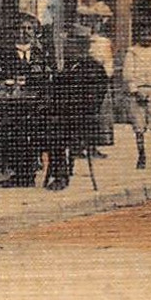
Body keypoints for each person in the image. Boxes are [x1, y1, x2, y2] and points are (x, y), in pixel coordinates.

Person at [43, 26, 110, 191]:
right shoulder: (69, 66)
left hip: (84, 120)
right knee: (41, 126)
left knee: (54, 133)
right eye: (67, 44)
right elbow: (56, 92)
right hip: (69, 117)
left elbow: (91, 101)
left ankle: (61, 176)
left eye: (70, 45)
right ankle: (58, 169)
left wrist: (64, 109)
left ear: (83, 46)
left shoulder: (94, 68)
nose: (67, 48)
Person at [0, 12, 54, 187]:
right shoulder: (3, 54)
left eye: (29, 28)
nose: (25, 32)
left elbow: (50, 78)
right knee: (14, 125)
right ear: (13, 32)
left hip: (38, 105)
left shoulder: (41, 54)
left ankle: (27, 171)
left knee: (32, 125)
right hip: (10, 105)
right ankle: (21, 172)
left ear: (35, 32)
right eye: (20, 28)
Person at [122, 29, 151, 170]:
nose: (147, 37)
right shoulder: (132, 52)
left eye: (149, 34)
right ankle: (142, 156)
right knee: (139, 127)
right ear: (139, 36)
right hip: (138, 91)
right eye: (144, 34)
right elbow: (128, 74)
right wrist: (135, 90)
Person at [78, 3, 116, 153]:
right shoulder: (89, 40)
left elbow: (108, 61)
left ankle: (93, 145)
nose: (100, 23)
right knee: (89, 113)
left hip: (103, 79)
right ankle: (82, 145)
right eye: (99, 20)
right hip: (91, 79)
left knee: (100, 114)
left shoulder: (104, 41)